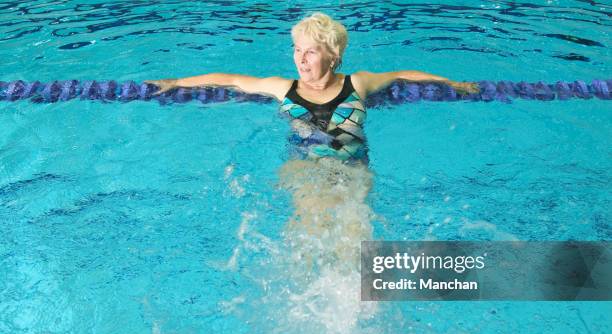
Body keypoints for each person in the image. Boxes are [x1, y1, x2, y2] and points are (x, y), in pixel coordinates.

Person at [146, 13, 478, 268]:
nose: (301, 59)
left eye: (311, 52)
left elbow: (403, 74)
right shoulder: (283, 88)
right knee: (308, 235)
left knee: (355, 240)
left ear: (333, 56)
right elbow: (231, 79)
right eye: (297, 50)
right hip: (305, 167)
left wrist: (453, 83)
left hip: (352, 169)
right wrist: (177, 82)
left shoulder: (357, 83)